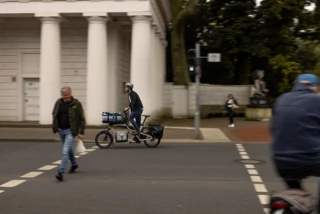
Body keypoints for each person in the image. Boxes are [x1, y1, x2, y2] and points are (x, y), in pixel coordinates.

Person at [271, 74, 320, 211]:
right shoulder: (317, 101)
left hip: (280, 159)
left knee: (293, 183)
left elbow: (274, 128)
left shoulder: (281, 99)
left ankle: (293, 202)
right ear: (314, 87)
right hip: (311, 159)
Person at [52, 86, 86, 181]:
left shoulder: (76, 104)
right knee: (69, 149)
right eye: (64, 95)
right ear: (61, 95)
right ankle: (74, 164)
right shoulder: (58, 103)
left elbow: (82, 118)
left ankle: (61, 172)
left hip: (71, 131)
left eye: (68, 95)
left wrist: (81, 131)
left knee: (65, 150)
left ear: (71, 93)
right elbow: (54, 115)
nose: (66, 97)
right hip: (61, 131)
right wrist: (56, 127)